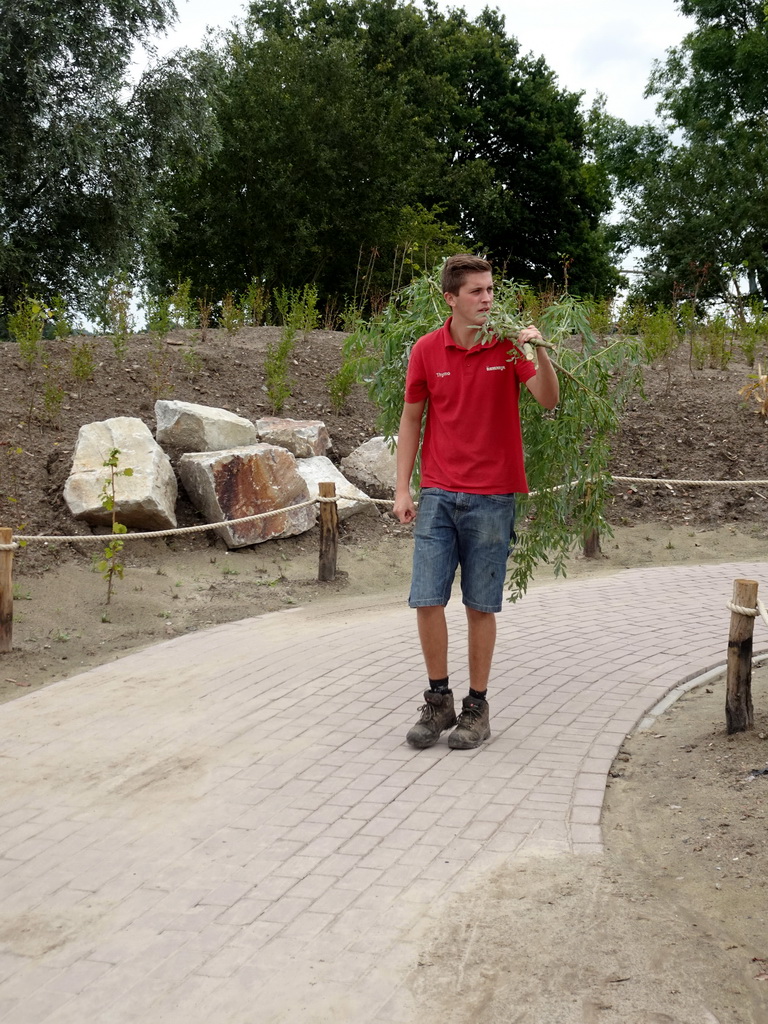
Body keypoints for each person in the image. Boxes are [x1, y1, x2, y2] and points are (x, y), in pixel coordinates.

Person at [393, 254, 559, 750]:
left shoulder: (508, 346)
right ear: (451, 298)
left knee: (479, 606)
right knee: (426, 598)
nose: (488, 298)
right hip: (439, 493)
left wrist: (541, 350)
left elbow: (548, 400)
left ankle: (476, 708)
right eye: (477, 292)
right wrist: (403, 488)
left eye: (490, 290)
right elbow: (410, 420)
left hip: (492, 496)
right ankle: (439, 702)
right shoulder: (426, 350)